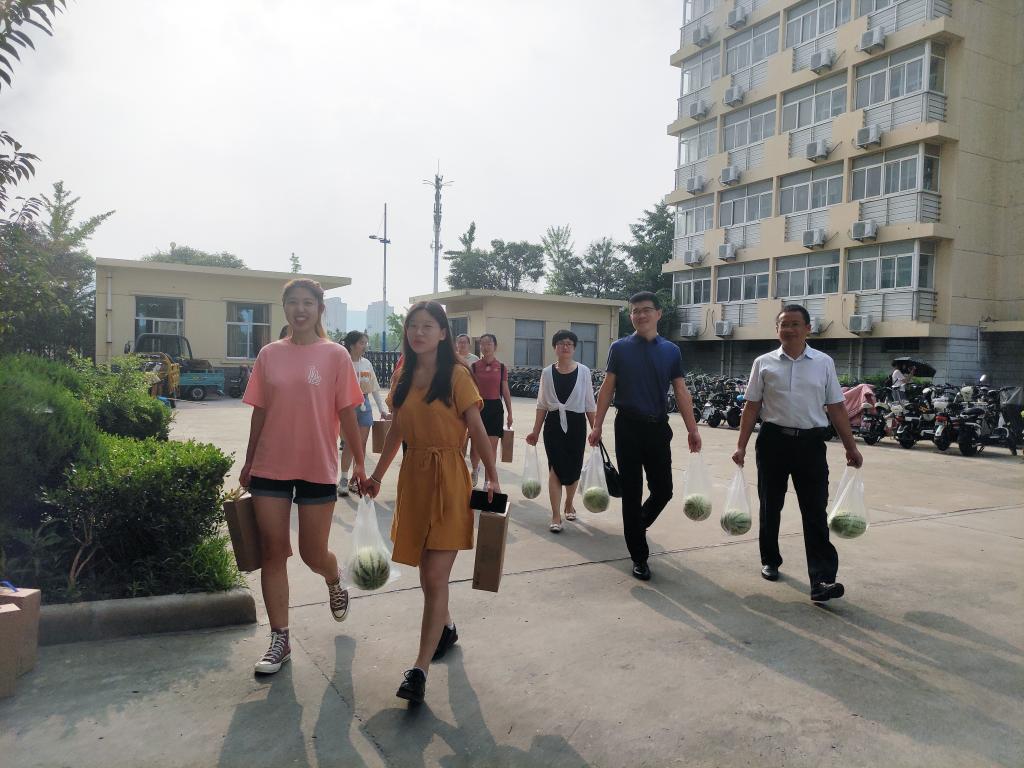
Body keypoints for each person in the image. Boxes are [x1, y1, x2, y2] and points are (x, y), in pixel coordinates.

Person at [365, 301, 500, 705]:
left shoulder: (457, 375)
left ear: (443, 333)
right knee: (427, 575)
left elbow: (477, 427)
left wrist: (491, 475)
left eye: (427, 326)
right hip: (414, 478)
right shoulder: (403, 375)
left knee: (435, 575)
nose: (418, 332)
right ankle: (447, 627)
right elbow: (397, 430)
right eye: (413, 326)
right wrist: (376, 476)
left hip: (450, 478)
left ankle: (419, 670)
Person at [240, 279, 368, 675]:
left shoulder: (335, 356)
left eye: (307, 303)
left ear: (319, 309)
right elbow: (260, 410)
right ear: (284, 308)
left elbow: (347, 413)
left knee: (313, 553)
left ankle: (334, 578)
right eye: (293, 302)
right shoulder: (269, 354)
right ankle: (280, 638)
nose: (300, 309)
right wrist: (248, 461)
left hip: (317, 465)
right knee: (273, 552)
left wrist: (360, 465)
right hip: (270, 465)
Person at [731, 304, 864, 603]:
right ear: (777, 329)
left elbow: (836, 407)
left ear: (808, 329)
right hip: (772, 442)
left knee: (815, 510)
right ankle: (770, 560)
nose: (789, 329)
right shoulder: (763, 363)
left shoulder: (823, 363)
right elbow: (752, 406)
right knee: (771, 505)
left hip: (811, 444)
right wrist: (741, 445)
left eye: (795, 324)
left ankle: (822, 579)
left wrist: (851, 446)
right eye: (783, 324)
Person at [588, 291, 701, 581]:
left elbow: (681, 391)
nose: (640, 315)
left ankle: (636, 526)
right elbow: (607, 388)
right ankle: (639, 557)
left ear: (658, 313)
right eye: (635, 311)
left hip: (657, 428)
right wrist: (597, 425)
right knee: (632, 492)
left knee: (664, 490)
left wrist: (693, 429)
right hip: (627, 427)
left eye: (645, 310)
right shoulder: (620, 348)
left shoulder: (671, 351)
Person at [526, 330, 597, 532]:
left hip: (576, 425)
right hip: (553, 425)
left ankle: (569, 503)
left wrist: (595, 429)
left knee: (574, 468)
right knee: (555, 469)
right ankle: (556, 515)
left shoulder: (584, 371)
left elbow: (589, 403)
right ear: (554, 347)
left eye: (569, 344)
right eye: (561, 343)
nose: (565, 347)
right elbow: (541, 404)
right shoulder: (547, 373)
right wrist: (535, 431)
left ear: (574, 348)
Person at [338, 330, 390, 497]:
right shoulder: (343, 362)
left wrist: (382, 409)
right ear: (352, 345)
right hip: (347, 406)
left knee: (361, 445)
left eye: (366, 343)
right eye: (362, 343)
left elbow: (374, 388)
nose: (365, 346)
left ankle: (355, 480)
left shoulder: (367, 363)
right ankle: (343, 479)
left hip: (364, 405)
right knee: (349, 444)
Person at [469, 333, 512, 487]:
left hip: (495, 409)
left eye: (489, 343)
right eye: (482, 343)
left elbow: (505, 390)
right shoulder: (474, 367)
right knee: (475, 449)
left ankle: (488, 482)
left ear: (495, 346)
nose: (485, 347)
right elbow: (469, 389)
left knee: (491, 448)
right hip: (478, 408)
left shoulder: (501, 367)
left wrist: (510, 413)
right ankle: (475, 469)